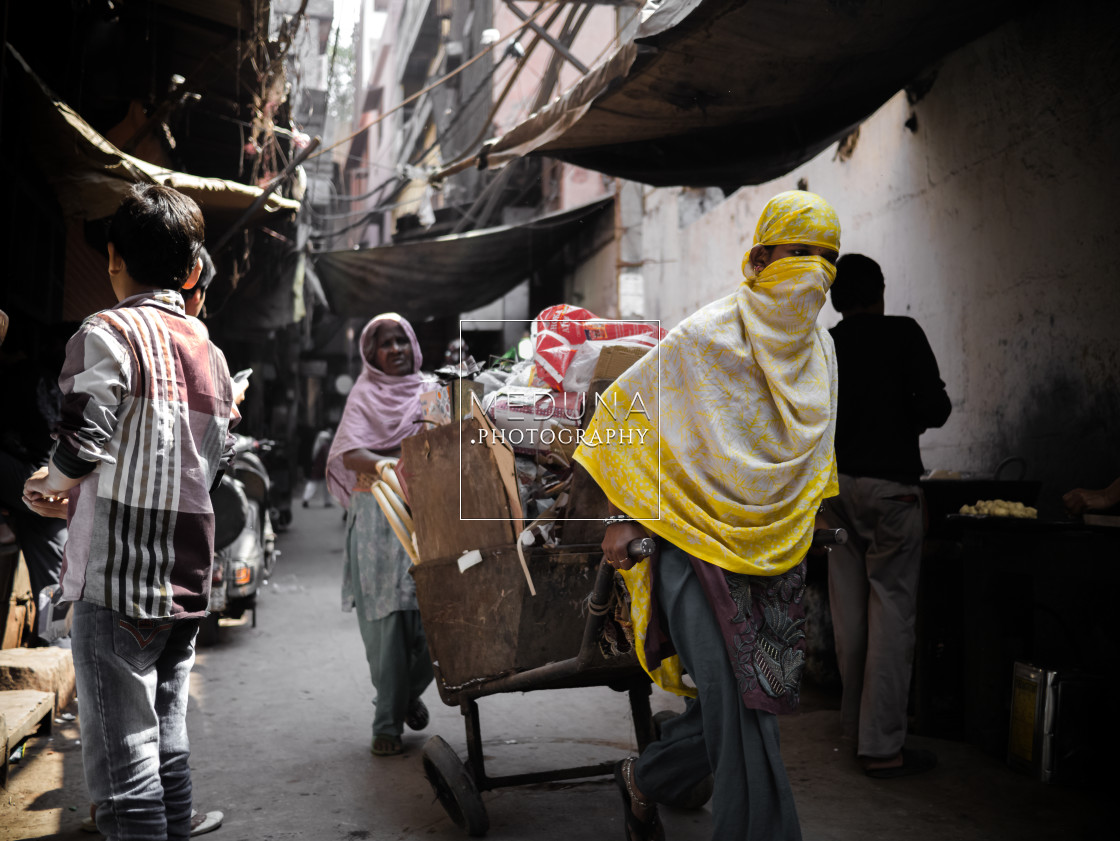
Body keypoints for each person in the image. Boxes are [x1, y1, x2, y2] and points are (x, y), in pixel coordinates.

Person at [576, 191, 843, 841]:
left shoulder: (821, 356)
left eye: (826, 256)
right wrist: (622, 517)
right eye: (797, 251)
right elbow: (620, 412)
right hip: (691, 551)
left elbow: (813, 453)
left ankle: (648, 777)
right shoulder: (708, 334)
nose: (813, 268)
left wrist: (822, 514)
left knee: (750, 703)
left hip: (775, 556)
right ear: (758, 258)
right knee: (741, 703)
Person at [22, 183, 232, 840]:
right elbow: (214, 456)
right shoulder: (209, 349)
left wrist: (47, 481)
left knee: (121, 766)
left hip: (117, 583)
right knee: (165, 739)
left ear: (114, 257)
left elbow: (83, 440)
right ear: (191, 268)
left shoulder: (105, 331)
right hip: (186, 581)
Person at [820, 253, 951, 778]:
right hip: (892, 492)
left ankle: (854, 730)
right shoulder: (904, 334)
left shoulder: (825, 346)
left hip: (833, 495)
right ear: (880, 291)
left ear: (834, 300)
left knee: (848, 615)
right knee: (892, 614)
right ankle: (882, 748)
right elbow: (936, 410)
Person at [326, 313, 434, 757]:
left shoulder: (432, 390)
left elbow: (444, 439)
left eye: (400, 342)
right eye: (384, 345)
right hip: (376, 515)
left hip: (426, 511)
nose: (395, 350)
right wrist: (391, 466)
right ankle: (386, 723)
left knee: (434, 620)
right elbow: (350, 453)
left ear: (413, 345)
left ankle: (405, 694)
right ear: (372, 356)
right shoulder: (364, 393)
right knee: (387, 626)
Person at [301, 426, 334, 508]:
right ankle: (326, 501)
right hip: (323, 468)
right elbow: (327, 458)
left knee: (314, 484)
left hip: (317, 468)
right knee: (322, 485)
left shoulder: (317, 446)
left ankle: (307, 499)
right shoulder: (324, 447)